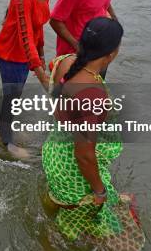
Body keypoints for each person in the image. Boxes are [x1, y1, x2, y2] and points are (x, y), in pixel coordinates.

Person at [42, 17, 144, 250]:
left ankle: (49, 215)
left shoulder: (68, 61)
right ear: (112, 53)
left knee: (58, 200)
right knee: (79, 221)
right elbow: (84, 155)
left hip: (55, 149)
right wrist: (99, 190)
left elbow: (53, 76)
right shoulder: (91, 93)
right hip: (72, 166)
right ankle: (48, 240)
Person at [0, 0, 62, 158]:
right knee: (13, 96)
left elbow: (38, 28)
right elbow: (25, 38)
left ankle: (5, 124)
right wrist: (41, 74)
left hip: (27, 53)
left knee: (14, 92)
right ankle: (5, 140)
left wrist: (41, 57)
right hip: (11, 54)